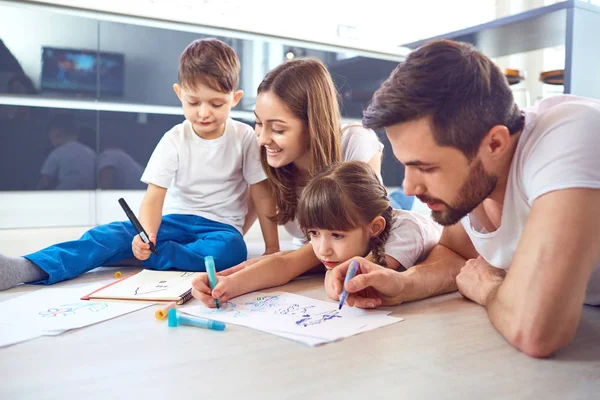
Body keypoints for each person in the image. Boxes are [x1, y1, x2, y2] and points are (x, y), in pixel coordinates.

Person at [329, 39, 600, 358]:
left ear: (495, 144)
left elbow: (536, 331)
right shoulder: (476, 180)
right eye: (406, 165)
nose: (410, 186)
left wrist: (488, 289)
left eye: (426, 167)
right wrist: (403, 285)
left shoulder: (572, 134)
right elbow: (456, 252)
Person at [0, 38, 279, 291]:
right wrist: (148, 236)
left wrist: (272, 248)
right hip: (172, 222)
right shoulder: (173, 139)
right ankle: (29, 267)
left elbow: (261, 193)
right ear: (179, 93)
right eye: (193, 102)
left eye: (216, 104)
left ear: (236, 99)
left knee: (232, 250)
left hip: (219, 229)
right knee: (107, 234)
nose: (204, 113)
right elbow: (154, 198)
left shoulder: (244, 137)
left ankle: (135, 256)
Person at [192, 161, 442, 306]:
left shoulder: (407, 233)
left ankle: (400, 198)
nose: (323, 249)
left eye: (336, 235)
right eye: (313, 232)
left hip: (422, 222)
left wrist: (334, 280)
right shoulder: (334, 238)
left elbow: (348, 279)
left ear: (374, 228)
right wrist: (228, 286)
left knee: (402, 202)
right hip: (379, 214)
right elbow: (285, 264)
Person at [239, 57, 383, 260]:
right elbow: (246, 214)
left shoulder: (355, 141)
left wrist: (280, 264)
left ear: (312, 125)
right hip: (314, 257)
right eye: (258, 122)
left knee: (401, 205)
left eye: (278, 129)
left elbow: (366, 237)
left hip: (380, 218)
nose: (263, 139)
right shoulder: (263, 150)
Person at [37, 113, 96, 190]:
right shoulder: (91, 153)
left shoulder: (57, 153)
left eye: (51, 139)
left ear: (56, 134)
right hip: (88, 196)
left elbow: (45, 181)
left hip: (63, 196)